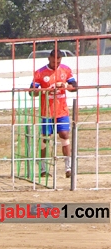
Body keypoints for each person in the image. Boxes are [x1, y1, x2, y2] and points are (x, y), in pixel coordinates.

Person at [29, 47, 77, 179]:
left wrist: (65, 86)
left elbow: (75, 87)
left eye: (58, 62)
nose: (56, 64)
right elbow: (32, 91)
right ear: (49, 59)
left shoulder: (66, 70)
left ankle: (68, 167)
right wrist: (44, 90)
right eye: (53, 62)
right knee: (45, 137)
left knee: (64, 134)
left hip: (62, 110)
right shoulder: (40, 72)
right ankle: (43, 168)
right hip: (47, 111)